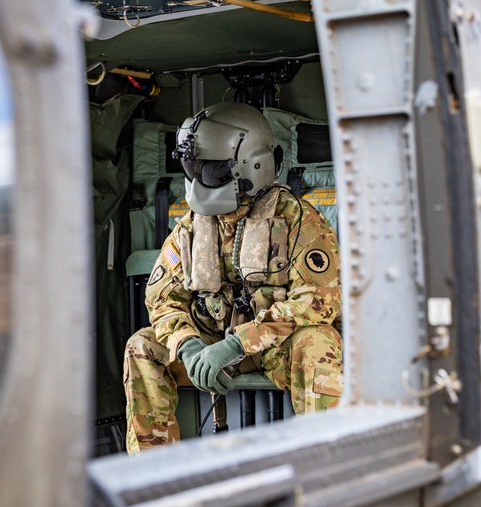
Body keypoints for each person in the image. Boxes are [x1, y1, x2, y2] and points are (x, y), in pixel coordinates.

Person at [123, 101, 342, 454]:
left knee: (317, 342)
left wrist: (239, 343)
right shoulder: (192, 226)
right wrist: (189, 347)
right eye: (193, 167)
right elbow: (162, 299)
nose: (198, 177)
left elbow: (318, 302)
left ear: (250, 166)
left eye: (209, 168)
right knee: (142, 346)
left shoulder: (299, 221)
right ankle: (152, 474)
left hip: (273, 348)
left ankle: (329, 466)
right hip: (210, 343)